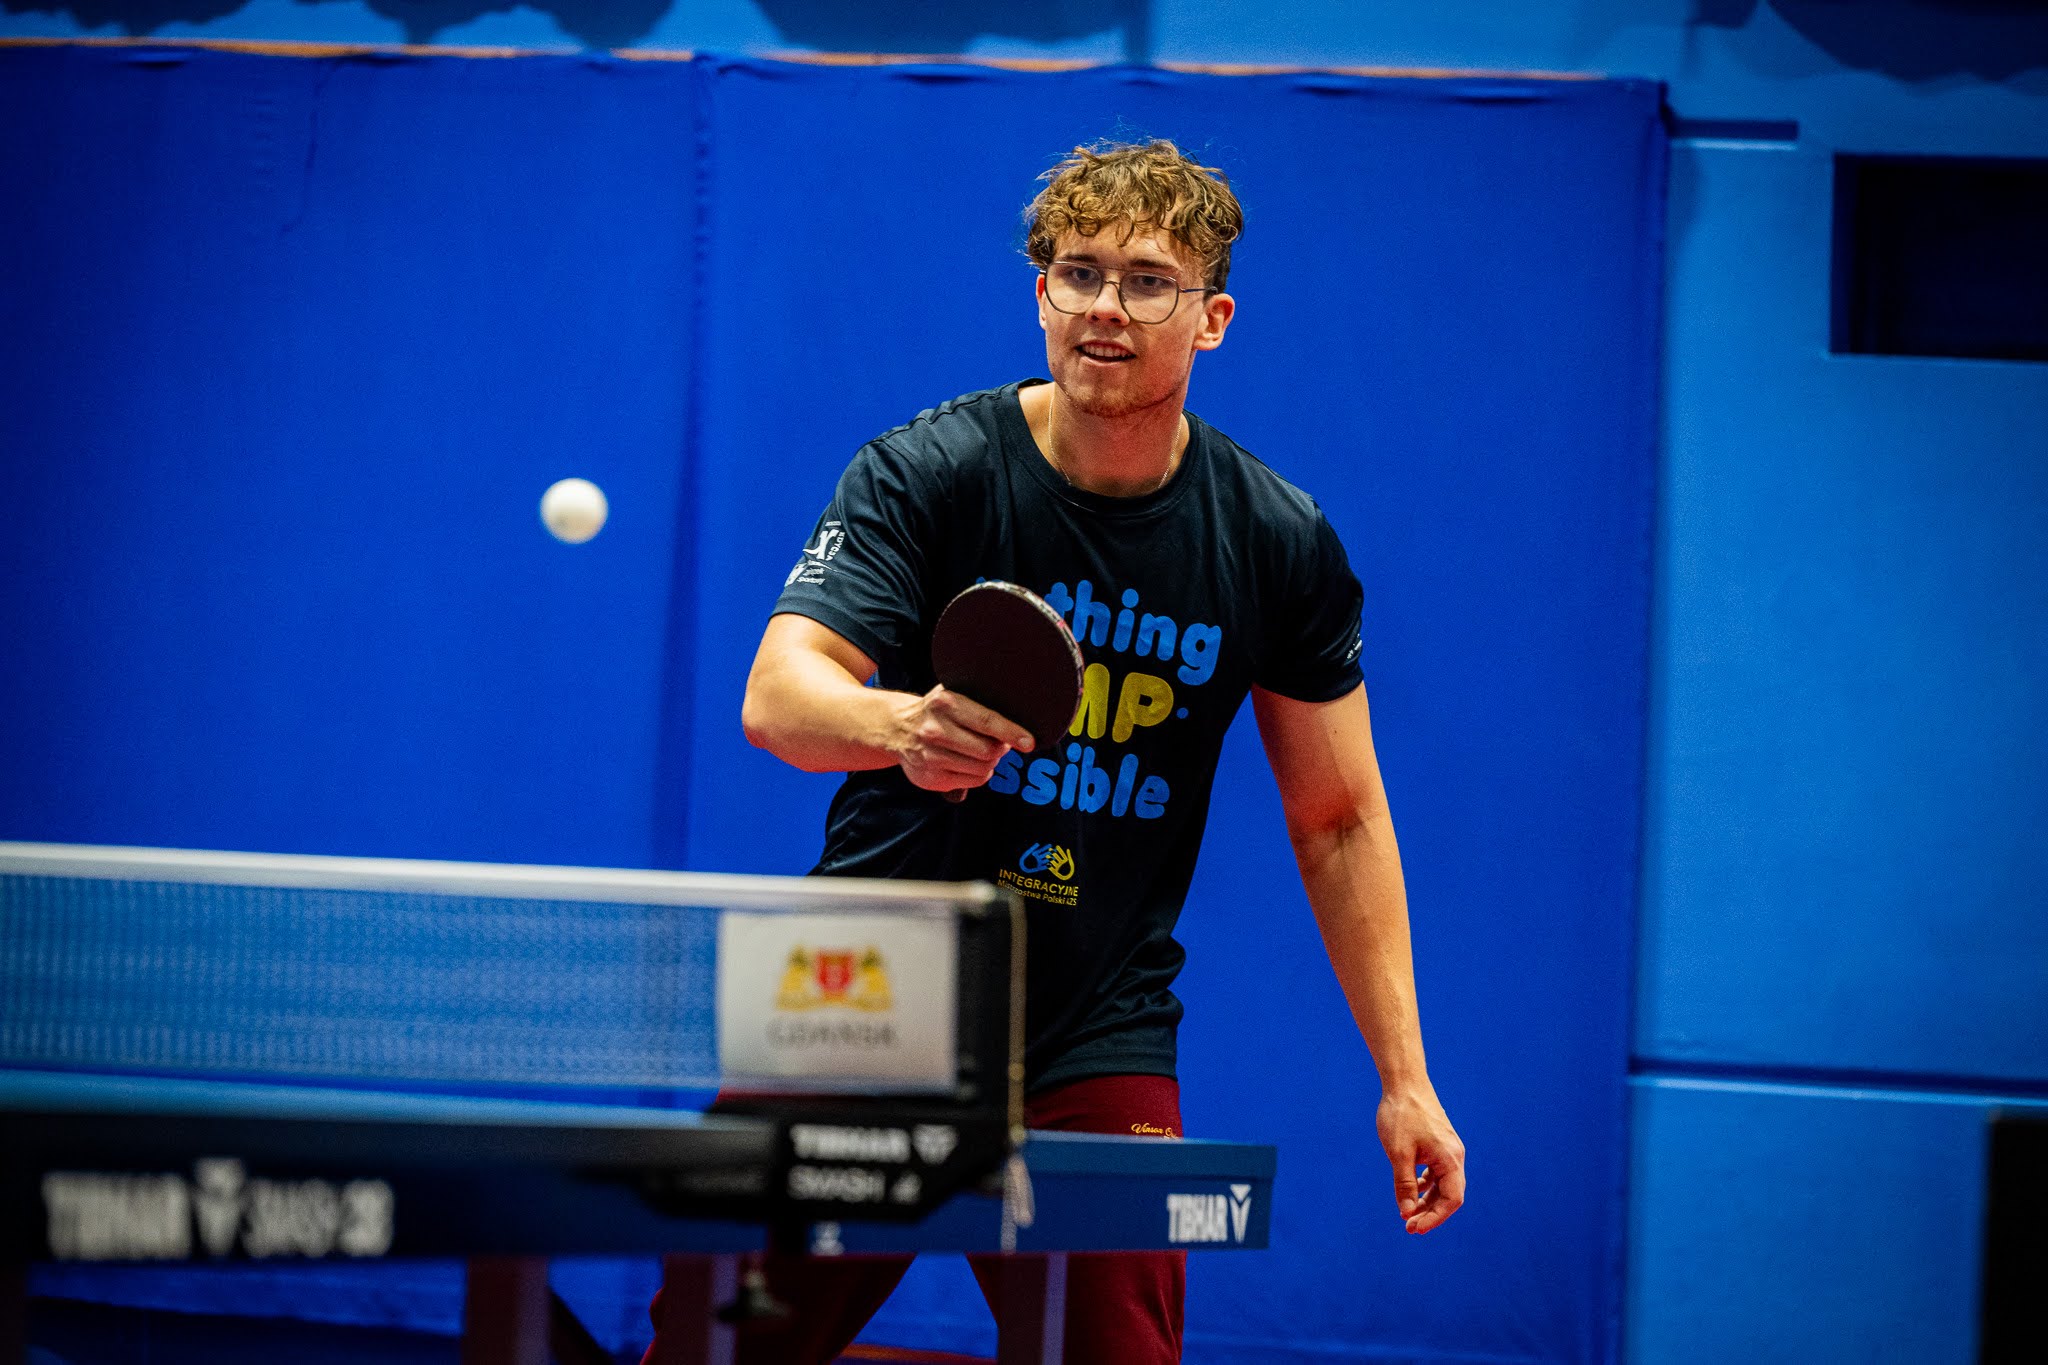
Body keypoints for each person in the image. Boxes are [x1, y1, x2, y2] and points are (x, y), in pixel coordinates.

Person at [649, 138, 1464, 1365]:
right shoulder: (927, 472)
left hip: (1094, 1023)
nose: (1104, 308)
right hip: (866, 993)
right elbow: (779, 696)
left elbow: (1337, 818)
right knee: (717, 1345)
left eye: (1147, 282)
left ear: (1212, 319)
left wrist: (1405, 1077)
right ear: (1040, 294)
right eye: (1077, 274)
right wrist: (899, 725)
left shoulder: (1275, 540)